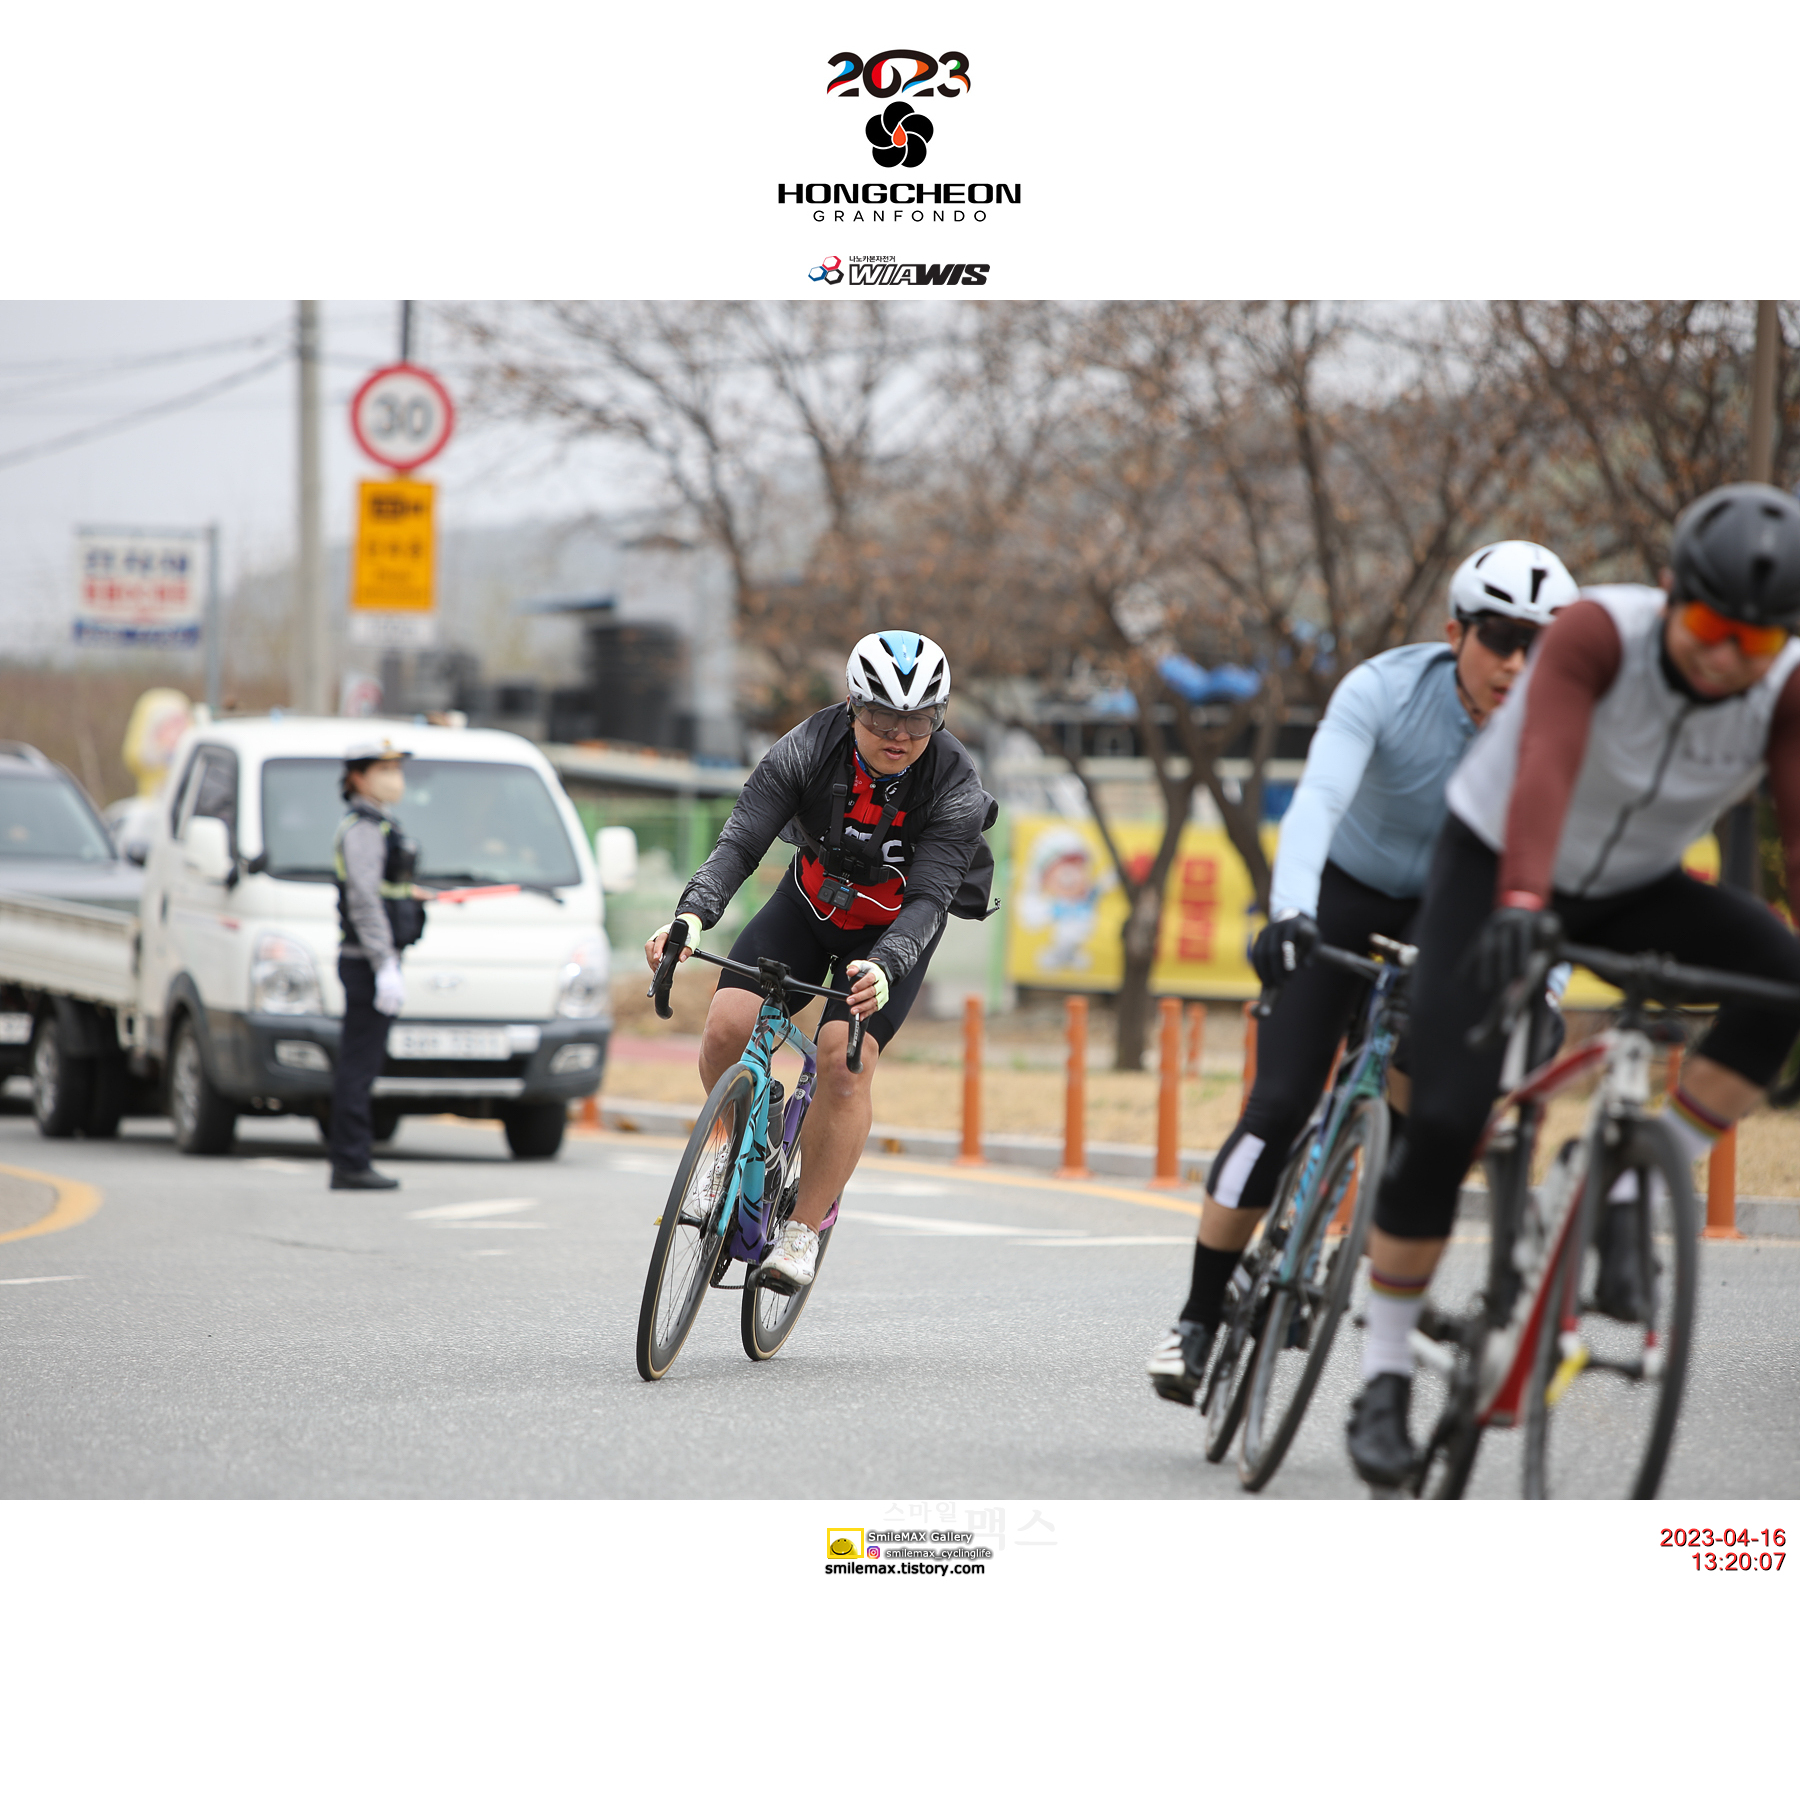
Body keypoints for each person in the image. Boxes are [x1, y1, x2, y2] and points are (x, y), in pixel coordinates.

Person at [1348, 483, 1800, 1487]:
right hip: (1497, 863)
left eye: (1758, 643)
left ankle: (1635, 1178)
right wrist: (1520, 899)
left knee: (1783, 976)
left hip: (1634, 884)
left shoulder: (1785, 689)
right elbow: (1545, 762)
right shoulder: (1600, 632)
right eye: (1713, 629)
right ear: (1674, 593)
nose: (1728, 658)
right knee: (1449, 1114)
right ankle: (1383, 1372)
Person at [1146, 541, 1579, 1405]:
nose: (1516, 664)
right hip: (1345, 891)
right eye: (1500, 638)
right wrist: (1289, 914)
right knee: (1277, 1107)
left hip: (1452, 908)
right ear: (1456, 633)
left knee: (1430, 1106)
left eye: (1540, 645)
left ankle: (1379, 1246)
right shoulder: (1383, 688)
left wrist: (1549, 989)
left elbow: (1560, 864)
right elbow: (1319, 802)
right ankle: (1195, 1319)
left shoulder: (1561, 727)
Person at [645, 631, 995, 1293]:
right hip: (806, 906)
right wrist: (692, 915)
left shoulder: (954, 783)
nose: (900, 734)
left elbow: (930, 899)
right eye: (882, 716)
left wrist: (886, 965)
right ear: (854, 705)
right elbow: (741, 841)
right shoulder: (806, 747)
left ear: (940, 716)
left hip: (891, 935)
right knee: (727, 1025)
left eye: (920, 719)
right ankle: (732, 1140)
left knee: (843, 1062)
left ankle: (804, 1228)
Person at [328, 739, 427, 1192]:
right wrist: (384, 964)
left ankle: (352, 1158)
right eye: (383, 769)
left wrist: (409, 897)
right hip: (366, 963)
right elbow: (364, 899)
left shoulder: (380, 824)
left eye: (397, 768)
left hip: (372, 960)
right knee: (358, 1066)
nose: (394, 778)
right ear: (357, 777)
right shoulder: (363, 829)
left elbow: (383, 891)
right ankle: (350, 1161)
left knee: (363, 1063)